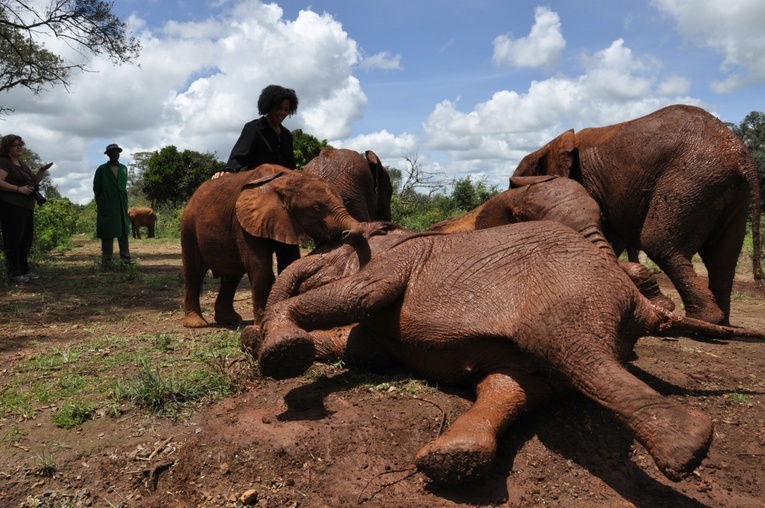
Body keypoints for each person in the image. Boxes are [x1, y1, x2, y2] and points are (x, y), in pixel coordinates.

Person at [212, 84, 298, 179]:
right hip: (256, 185)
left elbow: (290, 167)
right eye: (279, 108)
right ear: (269, 106)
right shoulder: (254, 128)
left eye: (286, 109)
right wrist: (227, 173)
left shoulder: (287, 135)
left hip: (281, 185)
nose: (282, 113)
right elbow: (238, 157)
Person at [0, 134, 53, 283]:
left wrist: (42, 170)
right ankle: (14, 273)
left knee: (25, 240)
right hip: (11, 206)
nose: (19, 147)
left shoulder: (22, 164)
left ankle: (24, 270)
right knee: (13, 240)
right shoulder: (4, 162)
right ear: (7, 147)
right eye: (15, 145)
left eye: (21, 144)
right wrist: (18, 189)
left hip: (26, 207)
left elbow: (34, 181)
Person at [93, 143, 131, 267]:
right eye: (112, 152)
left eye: (117, 152)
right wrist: (102, 201)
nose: (115, 154)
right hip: (107, 204)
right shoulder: (102, 169)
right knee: (107, 233)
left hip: (121, 204)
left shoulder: (124, 168)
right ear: (108, 155)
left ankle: (126, 260)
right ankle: (107, 262)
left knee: (123, 232)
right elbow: (96, 188)